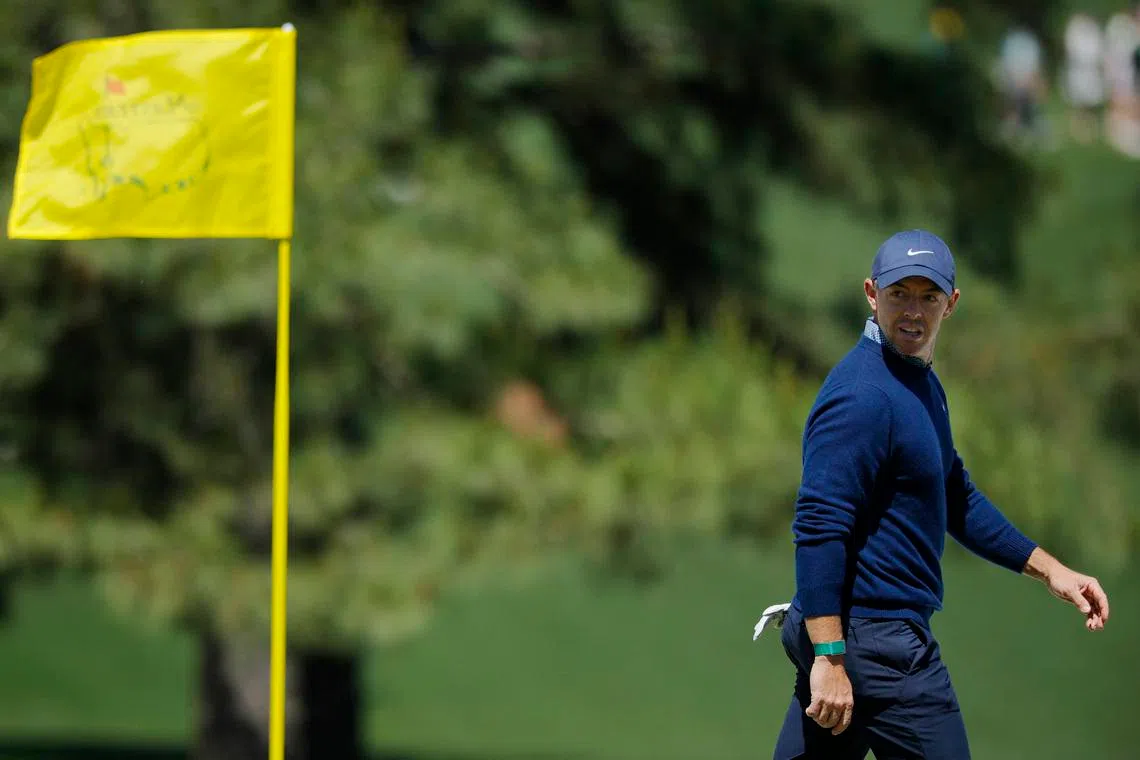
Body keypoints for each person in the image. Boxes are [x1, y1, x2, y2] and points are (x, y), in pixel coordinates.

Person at [772, 229, 1111, 760]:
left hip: (854, 641)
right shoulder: (863, 396)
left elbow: (954, 494)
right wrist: (830, 658)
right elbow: (819, 526)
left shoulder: (918, 383)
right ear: (871, 294)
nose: (913, 311)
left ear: (951, 304)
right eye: (898, 294)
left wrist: (1052, 571)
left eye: (927, 296)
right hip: (876, 645)